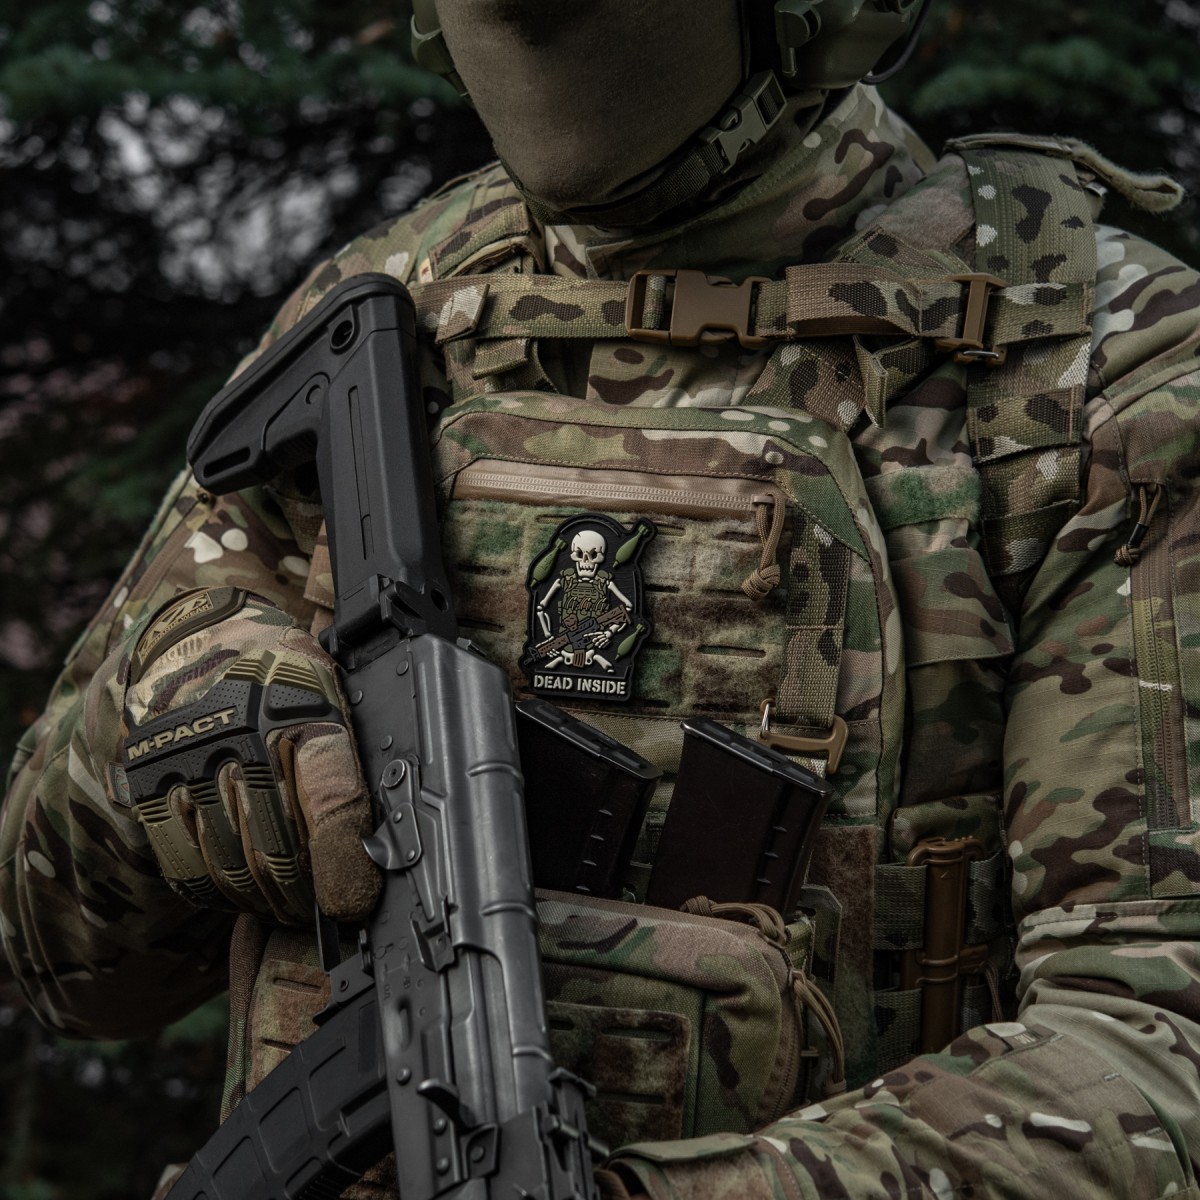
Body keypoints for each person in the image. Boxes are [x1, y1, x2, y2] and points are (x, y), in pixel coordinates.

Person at [4, 2, 1200, 1196]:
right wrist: (174, 713)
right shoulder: (395, 308)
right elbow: (54, 955)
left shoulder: (1095, 367)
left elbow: (1156, 1056)